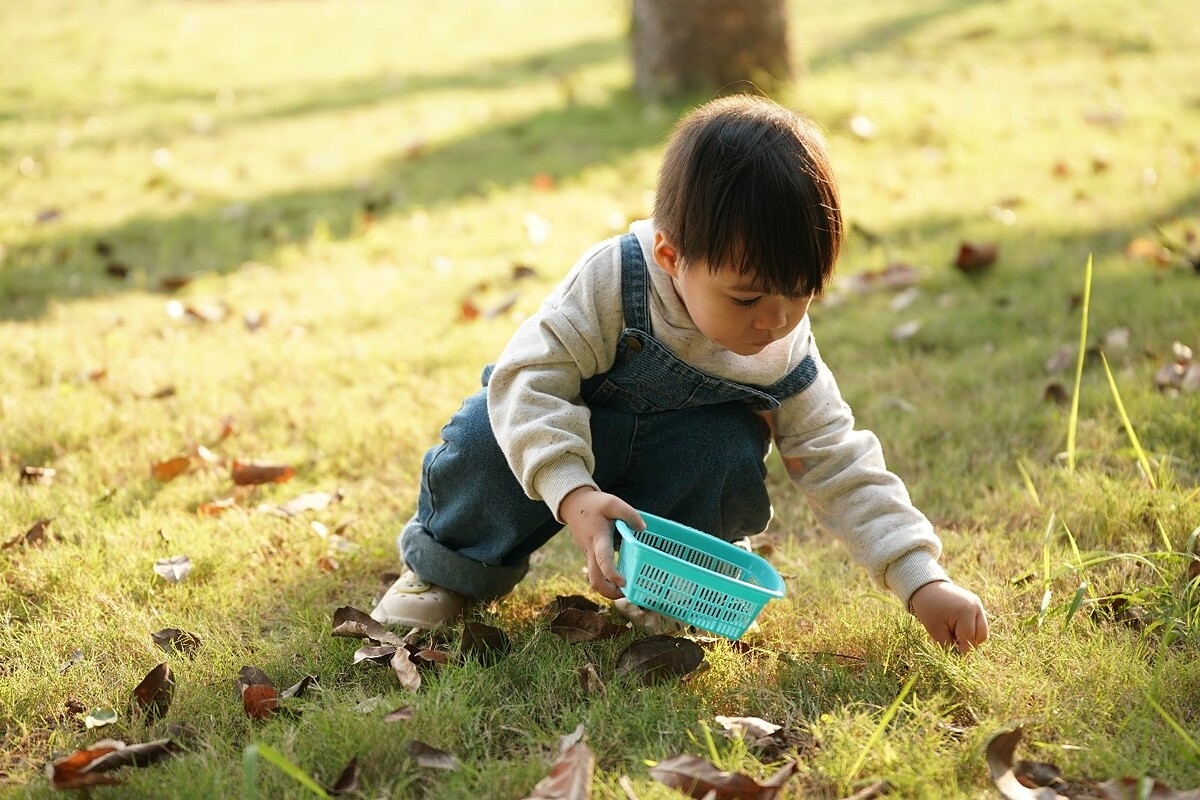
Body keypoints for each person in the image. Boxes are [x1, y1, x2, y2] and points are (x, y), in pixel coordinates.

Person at [372, 94, 989, 652]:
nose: (775, 321)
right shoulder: (615, 282)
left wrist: (921, 579)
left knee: (722, 451)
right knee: (488, 437)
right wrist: (573, 492)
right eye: (746, 299)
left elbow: (838, 460)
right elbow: (527, 380)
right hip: (567, 437)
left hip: (668, 469)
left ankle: (670, 588)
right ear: (672, 255)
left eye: (801, 293)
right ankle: (445, 570)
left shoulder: (784, 345)